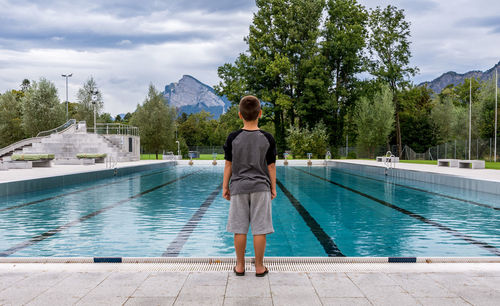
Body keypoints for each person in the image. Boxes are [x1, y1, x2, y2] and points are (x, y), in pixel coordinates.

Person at [222, 95, 277, 277]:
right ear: (260, 113)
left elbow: (228, 165)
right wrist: (273, 188)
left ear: (240, 115)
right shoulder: (267, 138)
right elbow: (271, 166)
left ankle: (240, 266)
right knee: (260, 229)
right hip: (261, 187)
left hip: (238, 187)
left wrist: (225, 187)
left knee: (239, 228)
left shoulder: (233, 137)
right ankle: (260, 267)